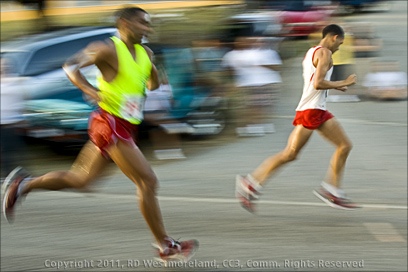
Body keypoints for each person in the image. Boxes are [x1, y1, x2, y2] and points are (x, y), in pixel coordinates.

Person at [2, 6, 198, 262]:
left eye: (149, 24)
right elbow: (70, 66)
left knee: (81, 180)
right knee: (148, 181)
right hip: (108, 122)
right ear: (123, 23)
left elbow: (152, 84)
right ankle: (165, 245)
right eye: (142, 23)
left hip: (126, 124)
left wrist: (150, 70)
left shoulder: (145, 52)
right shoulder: (106, 48)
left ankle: (23, 185)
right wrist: (89, 89)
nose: (148, 29)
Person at [235, 24, 359, 212]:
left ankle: (332, 190)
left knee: (344, 145)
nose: (339, 47)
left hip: (317, 109)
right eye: (340, 43)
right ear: (334, 37)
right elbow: (317, 83)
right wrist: (344, 82)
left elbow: (313, 82)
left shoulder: (312, 51)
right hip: (311, 110)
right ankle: (250, 183)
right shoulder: (325, 53)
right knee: (290, 154)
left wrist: (335, 86)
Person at [222, 36, 282, 136]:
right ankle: (250, 126)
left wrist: (259, 64)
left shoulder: (264, 52)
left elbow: (276, 66)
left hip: (265, 82)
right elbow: (229, 70)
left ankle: (261, 124)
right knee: (251, 106)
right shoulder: (232, 55)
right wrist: (231, 82)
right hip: (247, 83)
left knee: (263, 105)